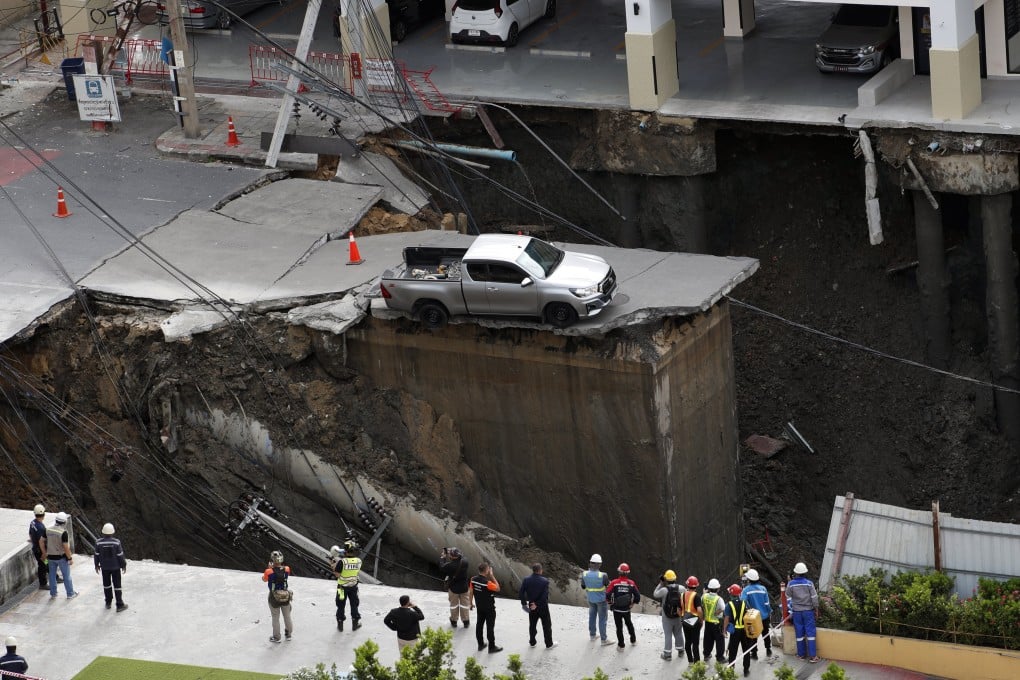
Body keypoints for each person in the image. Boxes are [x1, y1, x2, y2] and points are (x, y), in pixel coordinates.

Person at [787, 562, 820, 663]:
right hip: (808, 612)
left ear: (795, 573)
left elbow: (788, 595)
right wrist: (816, 609)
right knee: (810, 633)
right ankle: (813, 656)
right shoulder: (809, 583)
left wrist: (789, 582)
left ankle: (801, 655)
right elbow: (814, 598)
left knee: (799, 634)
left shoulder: (791, 584)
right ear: (805, 572)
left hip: (797, 612)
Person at [519, 563, 556, 649]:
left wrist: (524, 605)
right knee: (546, 625)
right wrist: (537, 604)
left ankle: (532, 642)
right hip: (542, 607)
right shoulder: (545, 581)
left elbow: (521, 593)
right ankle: (549, 644)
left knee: (532, 625)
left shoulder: (526, 580)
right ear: (540, 570)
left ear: (533, 570)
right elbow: (544, 596)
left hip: (531, 606)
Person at [469, 561, 503, 653]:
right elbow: (498, 588)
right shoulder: (487, 583)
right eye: (488, 569)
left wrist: (470, 603)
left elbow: (471, 591)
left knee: (479, 625)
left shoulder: (473, 579)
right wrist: (492, 576)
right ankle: (491, 647)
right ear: (486, 570)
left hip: (480, 607)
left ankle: (480, 644)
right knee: (490, 627)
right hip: (489, 608)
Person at [94, 522, 128, 612]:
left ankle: (108, 603)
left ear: (103, 532)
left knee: (107, 585)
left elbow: (96, 555)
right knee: (117, 586)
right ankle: (119, 605)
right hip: (115, 568)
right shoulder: (116, 542)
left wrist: (96, 565)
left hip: (104, 568)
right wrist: (123, 565)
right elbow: (120, 555)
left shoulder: (98, 543)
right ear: (112, 532)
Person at [652, 569, 685, 660]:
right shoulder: (681, 588)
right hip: (678, 614)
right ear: (675, 578)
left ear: (666, 579)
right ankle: (681, 650)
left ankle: (667, 654)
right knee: (678, 632)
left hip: (667, 616)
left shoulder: (664, 590)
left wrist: (661, 584)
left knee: (668, 634)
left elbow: (655, 594)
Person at [606, 562, 640, 650]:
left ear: (619, 572)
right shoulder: (631, 583)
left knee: (619, 627)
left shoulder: (614, 582)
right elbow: (637, 596)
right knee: (629, 624)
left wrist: (610, 603)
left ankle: (621, 645)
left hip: (617, 609)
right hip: (626, 609)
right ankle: (633, 640)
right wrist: (632, 603)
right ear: (628, 572)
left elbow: (607, 594)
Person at [580, 554, 612, 645]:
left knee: (592, 617)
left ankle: (592, 636)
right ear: (599, 564)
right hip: (601, 600)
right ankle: (603, 640)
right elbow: (608, 586)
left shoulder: (584, 574)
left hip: (591, 599)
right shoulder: (603, 575)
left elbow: (583, 586)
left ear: (590, 563)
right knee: (602, 619)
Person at [740, 569, 771, 659]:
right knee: (766, 633)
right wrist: (769, 611)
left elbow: (743, 602)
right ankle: (768, 649)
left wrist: (749, 608)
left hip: (752, 617)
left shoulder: (746, 590)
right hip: (764, 615)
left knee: (753, 635)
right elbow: (767, 603)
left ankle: (754, 653)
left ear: (749, 579)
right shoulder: (763, 589)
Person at [262, 550, 293, 643]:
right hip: (285, 595)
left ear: (272, 560)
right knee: (287, 616)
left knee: (275, 617)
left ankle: (277, 637)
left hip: (273, 596)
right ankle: (288, 635)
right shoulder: (287, 569)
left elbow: (264, 579)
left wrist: (270, 568)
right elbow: (284, 574)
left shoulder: (269, 571)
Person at [45, 512, 77, 599]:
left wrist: (44, 552)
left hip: (50, 557)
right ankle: (70, 594)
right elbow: (66, 547)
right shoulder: (63, 533)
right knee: (66, 576)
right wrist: (70, 558)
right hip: (61, 557)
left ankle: (53, 593)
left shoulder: (48, 530)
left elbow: (41, 541)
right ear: (64, 522)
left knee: (51, 575)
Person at [724, 584, 754, 677]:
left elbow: (727, 618)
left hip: (735, 631)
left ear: (731, 594)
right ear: (739, 594)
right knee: (746, 650)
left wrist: (724, 630)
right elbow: (750, 614)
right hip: (744, 630)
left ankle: (731, 671)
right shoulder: (745, 603)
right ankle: (746, 670)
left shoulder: (729, 604)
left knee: (733, 652)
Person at [334, 540, 363, 632]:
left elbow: (337, 575)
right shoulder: (359, 561)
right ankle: (355, 624)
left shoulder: (341, 562)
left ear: (345, 551)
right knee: (354, 604)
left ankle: (340, 624)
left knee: (341, 605)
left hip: (342, 588)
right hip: (353, 587)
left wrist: (333, 565)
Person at [439, 547, 470, 629]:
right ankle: (466, 622)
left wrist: (443, 557)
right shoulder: (465, 562)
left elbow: (442, 566)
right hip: (464, 588)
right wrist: (452, 551)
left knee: (454, 606)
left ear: (451, 556)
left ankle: (454, 621)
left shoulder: (450, 566)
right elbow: (461, 556)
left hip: (454, 589)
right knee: (465, 606)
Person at [701, 578, 726, 663]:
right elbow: (723, 608)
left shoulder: (704, 596)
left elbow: (702, 603)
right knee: (719, 640)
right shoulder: (719, 599)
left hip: (707, 622)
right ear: (718, 588)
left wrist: (704, 593)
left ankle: (706, 655)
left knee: (708, 639)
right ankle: (720, 657)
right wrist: (717, 612)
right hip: (716, 622)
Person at [681, 576, 704, 662]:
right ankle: (697, 663)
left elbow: (679, 609)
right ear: (696, 586)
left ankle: (690, 661)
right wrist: (701, 621)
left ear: (687, 585)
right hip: (694, 622)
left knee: (687, 642)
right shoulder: (696, 596)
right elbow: (699, 610)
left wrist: (682, 619)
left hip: (685, 621)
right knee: (695, 643)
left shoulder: (682, 595)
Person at [29, 504, 48, 590]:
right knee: (42, 566)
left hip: (36, 549)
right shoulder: (41, 527)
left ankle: (55, 576)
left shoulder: (33, 522)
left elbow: (30, 533)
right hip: (40, 551)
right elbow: (41, 542)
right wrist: (44, 553)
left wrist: (32, 539)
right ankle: (43, 584)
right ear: (43, 514)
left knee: (47, 563)